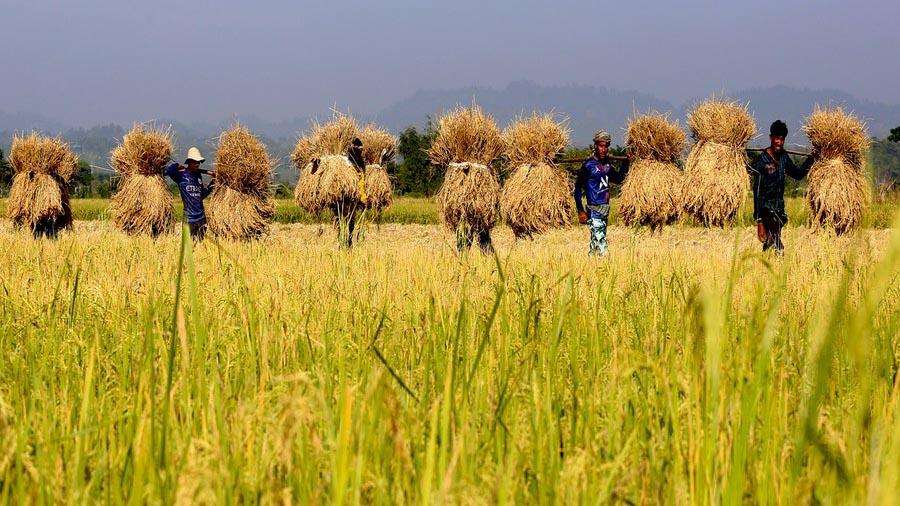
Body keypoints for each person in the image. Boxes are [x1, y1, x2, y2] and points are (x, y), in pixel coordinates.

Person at [747, 120, 816, 253]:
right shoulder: (762, 161)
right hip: (766, 210)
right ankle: (780, 260)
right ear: (771, 138)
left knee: (770, 244)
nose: (779, 142)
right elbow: (757, 192)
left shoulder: (784, 158)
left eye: (782, 139)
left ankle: (765, 268)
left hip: (779, 210)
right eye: (776, 138)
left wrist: (811, 159)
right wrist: (759, 221)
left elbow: (798, 174)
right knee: (777, 245)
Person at [573, 130, 630, 256]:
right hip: (593, 208)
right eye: (601, 146)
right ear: (595, 146)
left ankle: (591, 266)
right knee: (601, 241)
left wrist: (626, 163)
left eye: (606, 146)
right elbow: (577, 189)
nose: (603, 149)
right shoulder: (588, 166)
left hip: (605, 208)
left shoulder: (608, 166)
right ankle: (604, 264)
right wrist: (580, 210)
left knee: (596, 241)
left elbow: (619, 178)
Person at [165, 147, 215, 240]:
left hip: (201, 217)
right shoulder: (181, 175)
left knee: (201, 242)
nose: (197, 164)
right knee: (189, 244)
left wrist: (212, 183)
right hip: (189, 218)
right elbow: (167, 171)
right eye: (195, 162)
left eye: (198, 162)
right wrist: (177, 165)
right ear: (189, 161)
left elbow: (202, 195)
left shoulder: (198, 176)